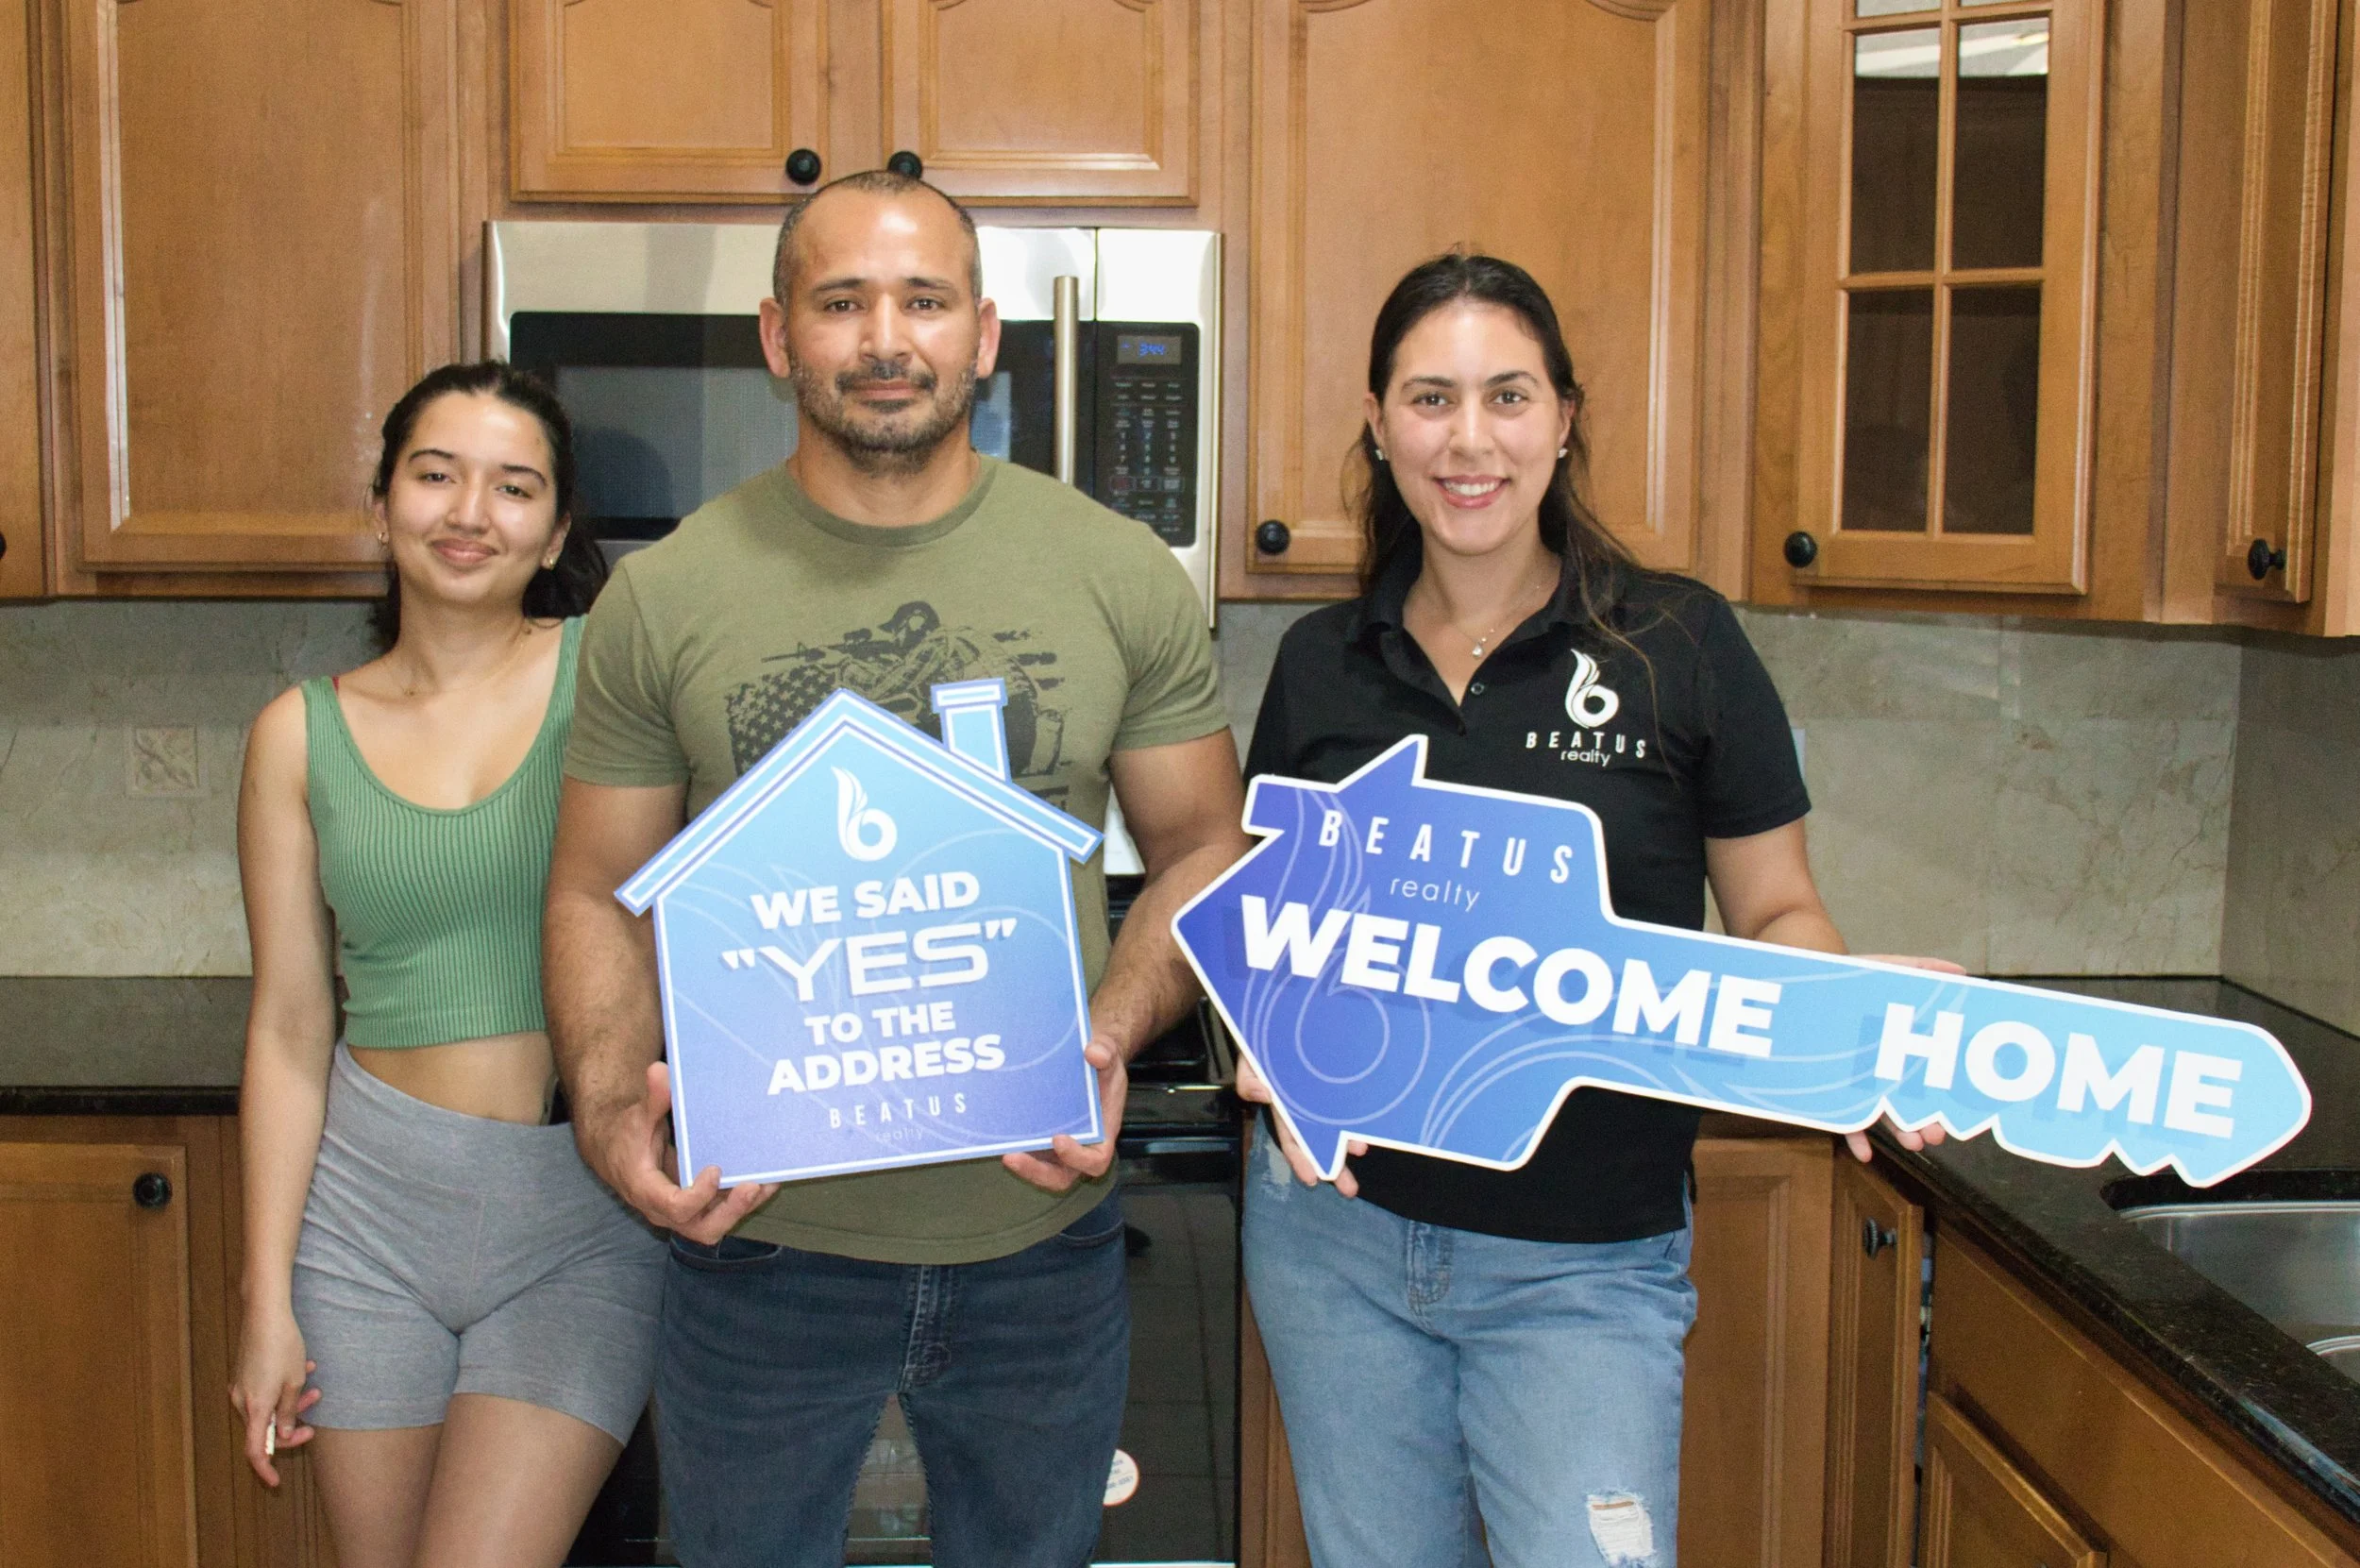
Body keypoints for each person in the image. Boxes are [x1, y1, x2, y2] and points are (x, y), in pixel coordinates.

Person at [542, 168, 1251, 1568]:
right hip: (759, 1249)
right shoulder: (667, 595)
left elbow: (1204, 848)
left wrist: (1103, 1038)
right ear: (776, 337)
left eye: (923, 301)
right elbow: (591, 892)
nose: (885, 339)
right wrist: (612, 1109)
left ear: (984, 335)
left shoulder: (1112, 574)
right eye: (843, 301)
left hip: (1037, 1243)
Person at [1233, 253, 1947, 1568]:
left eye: (1507, 396)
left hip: (1586, 1261)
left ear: (1565, 419)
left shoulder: (1677, 645)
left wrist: (1846, 1022)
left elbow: (1779, 905)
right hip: (1335, 1247)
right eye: (1430, 398)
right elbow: (1278, 950)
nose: (1469, 439)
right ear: (1380, 426)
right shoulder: (1318, 666)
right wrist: (1264, 1051)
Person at [230, 362, 664, 1568]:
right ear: (381, 504)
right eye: (436, 475)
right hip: (366, 1216)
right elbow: (285, 1026)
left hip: (578, 1210)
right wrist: (264, 1297)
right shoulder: (295, 735)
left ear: (555, 531)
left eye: (513, 486)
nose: (470, 511)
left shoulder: (612, 681)